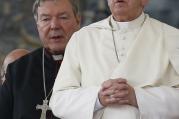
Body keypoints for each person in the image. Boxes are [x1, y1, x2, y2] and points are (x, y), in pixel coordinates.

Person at [49, 0, 179, 119]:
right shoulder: (82, 38)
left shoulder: (172, 37)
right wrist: (98, 98)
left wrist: (138, 97)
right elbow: (58, 101)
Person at [0, 0, 81, 118]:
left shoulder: (93, 63)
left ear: (78, 20)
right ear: (37, 25)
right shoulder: (18, 70)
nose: (54, 25)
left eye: (63, 17)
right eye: (46, 19)